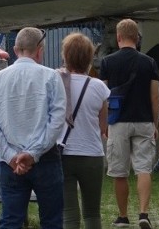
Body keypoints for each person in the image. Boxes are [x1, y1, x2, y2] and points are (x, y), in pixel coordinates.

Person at [0, 27, 66, 229]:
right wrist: (33, 152)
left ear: (14, 49)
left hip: (10, 161)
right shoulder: (51, 77)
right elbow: (57, 119)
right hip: (45, 158)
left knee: (10, 220)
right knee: (52, 221)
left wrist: (11, 156)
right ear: (39, 50)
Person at [99, 18, 159, 229]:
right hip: (144, 121)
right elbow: (155, 98)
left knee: (119, 171)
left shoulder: (107, 62)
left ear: (118, 37)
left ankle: (123, 216)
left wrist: (104, 123)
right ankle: (144, 213)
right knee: (143, 168)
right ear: (137, 38)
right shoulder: (149, 62)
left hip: (118, 122)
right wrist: (156, 124)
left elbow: (103, 97)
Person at [58, 33, 110, 229]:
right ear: (90, 58)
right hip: (92, 155)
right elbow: (102, 126)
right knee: (92, 212)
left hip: (65, 152)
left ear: (66, 56)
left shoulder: (56, 82)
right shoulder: (99, 87)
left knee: (69, 213)